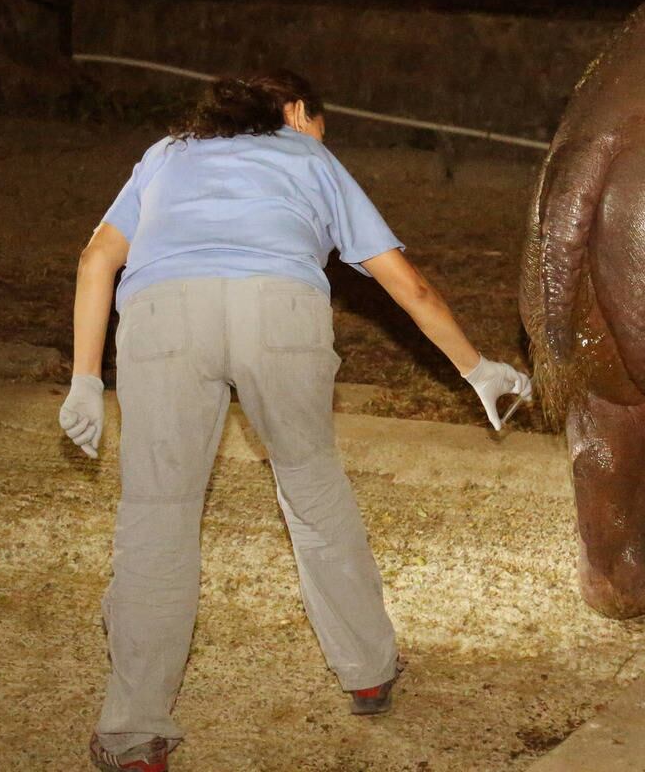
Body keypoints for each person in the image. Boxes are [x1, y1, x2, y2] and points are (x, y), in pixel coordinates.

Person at [58, 70, 530, 772]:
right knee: (312, 491)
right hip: (280, 309)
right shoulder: (309, 157)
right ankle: (369, 669)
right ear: (293, 111)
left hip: (163, 315)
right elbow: (406, 282)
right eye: (319, 119)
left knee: (158, 516)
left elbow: (99, 257)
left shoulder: (164, 155)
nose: (322, 132)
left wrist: (86, 379)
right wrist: (477, 367)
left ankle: (133, 733)